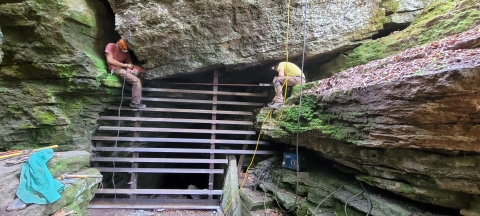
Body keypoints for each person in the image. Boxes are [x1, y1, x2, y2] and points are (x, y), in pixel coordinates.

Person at [105, 39, 147, 109]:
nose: (124, 51)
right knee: (136, 81)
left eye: (125, 50)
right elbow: (110, 60)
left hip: (123, 68)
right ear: (118, 45)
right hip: (116, 69)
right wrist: (125, 65)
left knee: (141, 74)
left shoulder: (126, 52)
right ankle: (135, 103)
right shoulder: (110, 46)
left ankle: (138, 97)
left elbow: (129, 63)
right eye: (123, 50)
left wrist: (133, 68)